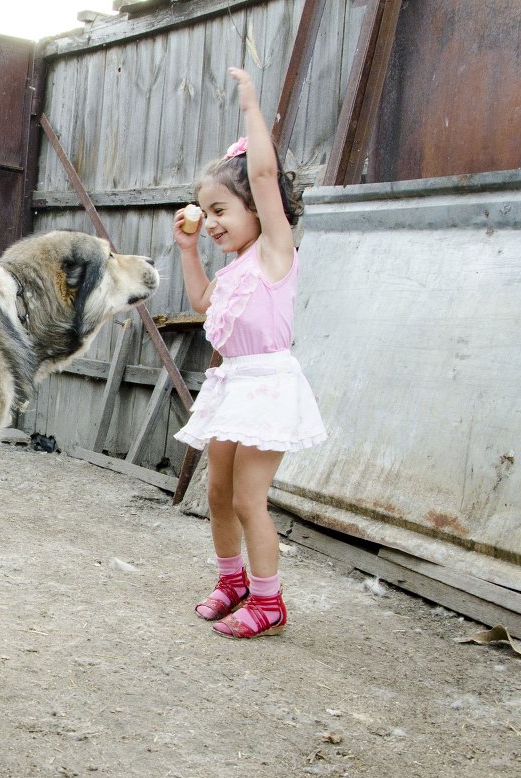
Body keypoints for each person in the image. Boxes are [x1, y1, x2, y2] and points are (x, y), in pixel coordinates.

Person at [171, 67, 327, 639]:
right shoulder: (235, 270)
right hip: (231, 383)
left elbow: (261, 172)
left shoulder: (274, 251)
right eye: (203, 211)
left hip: (266, 384)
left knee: (246, 497)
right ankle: (231, 580)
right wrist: (189, 251)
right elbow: (202, 301)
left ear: (259, 211)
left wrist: (251, 105)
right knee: (215, 493)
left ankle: (269, 601)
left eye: (219, 211)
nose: (209, 222)